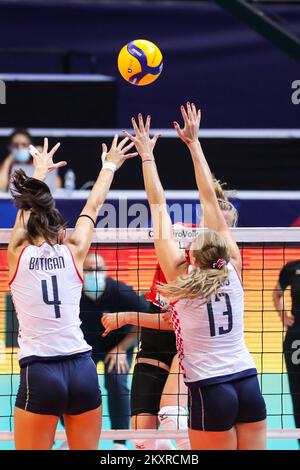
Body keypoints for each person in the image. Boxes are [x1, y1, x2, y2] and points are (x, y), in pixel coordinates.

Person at [104, 103, 267, 450]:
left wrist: (148, 156)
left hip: (210, 389)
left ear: (189, 254)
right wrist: (195, 144)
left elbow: (159, 205)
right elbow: (210, 201)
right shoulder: (234, 269)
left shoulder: (179, 283)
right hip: (247, 383)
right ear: (223, 246)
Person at [8, 134, 137, 450]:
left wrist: (39, 171)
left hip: (41, 371)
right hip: (82, 368)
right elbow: (93, 206)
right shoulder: (75, 251)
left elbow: (25, 210)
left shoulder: (18, 252)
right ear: (60, 231)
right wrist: (109, 165)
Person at [102, 184, 237, 451]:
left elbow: (171, 320)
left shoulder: (224, 270)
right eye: (210, 221)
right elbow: (163, 212)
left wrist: (125, 317)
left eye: (223, 225)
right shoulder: (181, 235)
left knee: (173, 418)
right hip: (156, 336)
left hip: (188, 345)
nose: (215, 228)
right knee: (142, 439)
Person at [62, 252, 148, 451]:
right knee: (66, 385)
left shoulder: (119, 290)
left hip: (116, 347)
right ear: (80, 273)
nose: (94, 273)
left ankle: (120, 442)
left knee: (117, 382)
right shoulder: (72, 292)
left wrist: (122, 348)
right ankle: (69, 437)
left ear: (106, 271)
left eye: (98, 269)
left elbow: (145, 319)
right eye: (89, 269)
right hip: (84, 348)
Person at [273, 261, 300, 446]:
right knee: (298, 392)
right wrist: (283, 316)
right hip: (296, 339)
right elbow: (277, 293)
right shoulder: (292, 267)